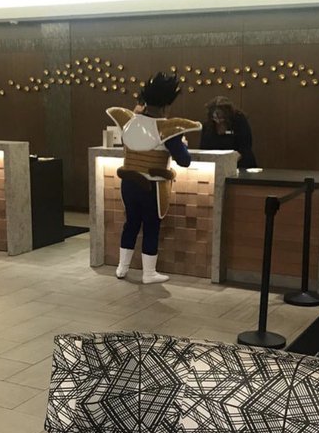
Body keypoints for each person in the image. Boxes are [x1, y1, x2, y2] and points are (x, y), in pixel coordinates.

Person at [106, 72, 201, 284]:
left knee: (131, 223)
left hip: (128, 184)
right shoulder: (166, 129)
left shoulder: (128, 122)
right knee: (151, 227)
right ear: (166, 105)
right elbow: (184, 161)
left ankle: (122, 268)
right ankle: (149, 274)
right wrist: (182, 144)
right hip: (152, 188)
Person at [200, 96, 257, 168]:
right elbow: (203, 148)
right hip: (216, 165)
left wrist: (229, 160)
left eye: (221, 118)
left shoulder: (239, 120)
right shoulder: (208, 125)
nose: (218, 121)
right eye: (215, 118)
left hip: (241, 164)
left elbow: (245, 147)